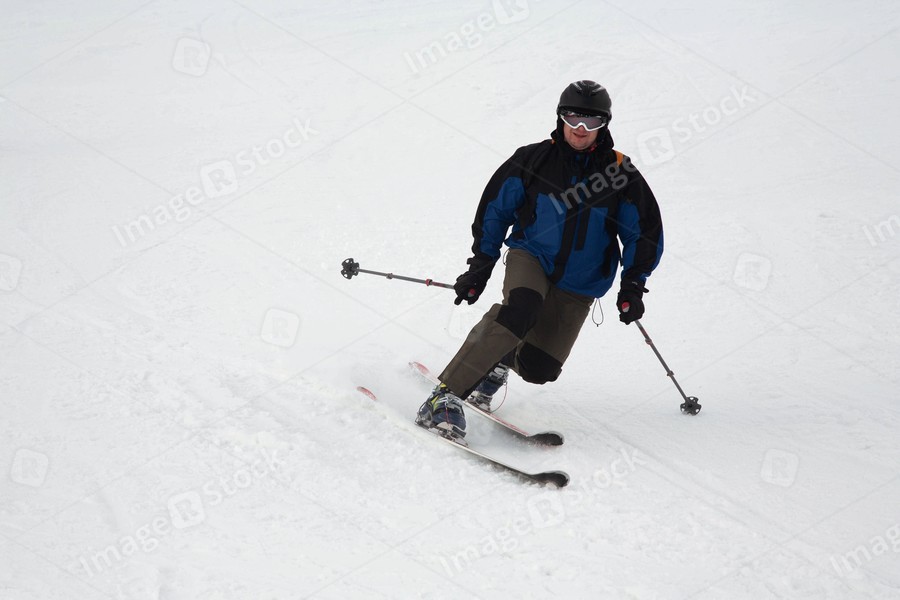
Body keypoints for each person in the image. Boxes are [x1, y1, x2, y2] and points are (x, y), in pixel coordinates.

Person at [416, 80, 664, 440]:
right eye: (573, 118)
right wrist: (480, 268)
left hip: (582, 279)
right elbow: (495, 212)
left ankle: (498, 359)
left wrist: (633, 285)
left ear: (604, 124)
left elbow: (643, 233)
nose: (581, 128)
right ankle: (445, 396)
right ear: (560, 117)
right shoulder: (532, 160)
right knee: (521, 309)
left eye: (592, 121)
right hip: (531, 255)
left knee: (540, 368)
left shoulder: (620, 174)